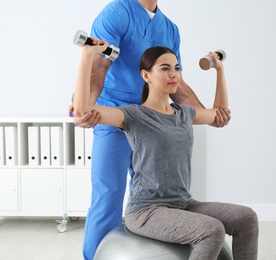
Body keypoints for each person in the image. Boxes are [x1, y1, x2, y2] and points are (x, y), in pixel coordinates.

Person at [71, 0, 231, 259]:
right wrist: (85, 106)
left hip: (153, 121)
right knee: (108, 193)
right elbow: (99, 63)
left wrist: (207, 115)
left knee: (151, 198)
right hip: (115, 114)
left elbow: (176, 82)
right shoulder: (117, 13)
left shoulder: (170, 28)